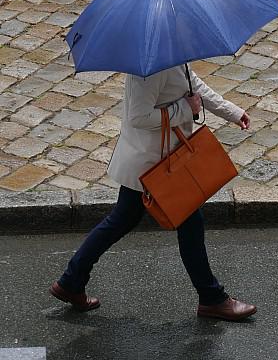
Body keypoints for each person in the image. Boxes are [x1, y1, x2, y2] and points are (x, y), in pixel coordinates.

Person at [49, 64, 256, 321]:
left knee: (122, 220)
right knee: (189, 223)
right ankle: (212, 298)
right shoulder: (149, 70)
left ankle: (71, 281)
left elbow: (193, 86)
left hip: (156, 161)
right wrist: (184, 110)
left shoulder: (172, 56)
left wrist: (232, 112)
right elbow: (139, 116)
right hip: (153, 164)